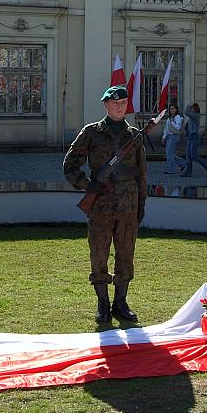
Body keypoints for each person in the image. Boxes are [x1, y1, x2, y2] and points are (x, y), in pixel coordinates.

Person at [63, 85, 146, 324]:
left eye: (123, 103)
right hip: (100, 205)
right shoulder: (91, 132)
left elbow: (141, 173)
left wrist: (142, 202)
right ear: (105, 105)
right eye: (115, 103)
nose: (120, 107)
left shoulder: (134, 136)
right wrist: (88, 185)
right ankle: (102, 303)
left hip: (128, 205)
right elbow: (70, 165)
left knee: (126, 255)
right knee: (99, 254)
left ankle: (120, 302)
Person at [181, 102, 207, 177]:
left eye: (192, 108)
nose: (191, 109)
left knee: (194, 156)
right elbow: (188, 126)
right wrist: (186, 132)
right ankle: (188, 173)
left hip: (195, 138)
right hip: (190, 138)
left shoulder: (196, 115)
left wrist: (188, 105)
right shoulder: (192, 117)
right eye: (191, 108)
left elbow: (186, 112)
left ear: (195, 109)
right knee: (188, 156)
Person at [161, 103, 187, 174]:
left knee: (169, 153)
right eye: (170, 108)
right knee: (170, 153)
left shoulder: (177, 117)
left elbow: (178, 128)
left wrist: (172, 122)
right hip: (169, 136)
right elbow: (166, 128)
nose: (171, 110)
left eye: (173, 108)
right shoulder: (170, 117)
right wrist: (163, 137)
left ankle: (171, 169)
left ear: (176, 109)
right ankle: (183, 163)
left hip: (174, 136)